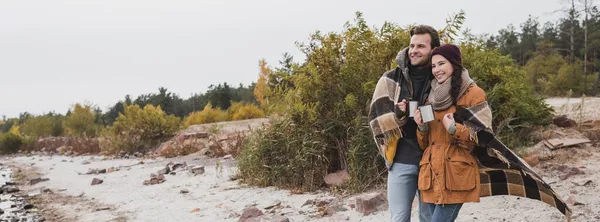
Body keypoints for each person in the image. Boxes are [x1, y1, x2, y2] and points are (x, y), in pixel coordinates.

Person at [368, 25, 440, 222]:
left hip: (432, 160)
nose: (414, 50)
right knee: (399, 218)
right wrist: (398, 114)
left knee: (429, 217)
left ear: (433, 50)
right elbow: (375, 118)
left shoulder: (441, 78)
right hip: (400, 160)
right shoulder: (390, 78)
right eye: (412, 45)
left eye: (421, 46)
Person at [413, 44, 485, 222]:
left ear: (454, 63)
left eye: (441, 64)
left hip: (455, 172)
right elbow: (425, 143)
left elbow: (483, 136)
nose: (436, 70)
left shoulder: (473, 93)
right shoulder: (431, 96)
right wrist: (421, 127)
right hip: (429, 171)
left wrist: (454, 129)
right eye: (434, 66)